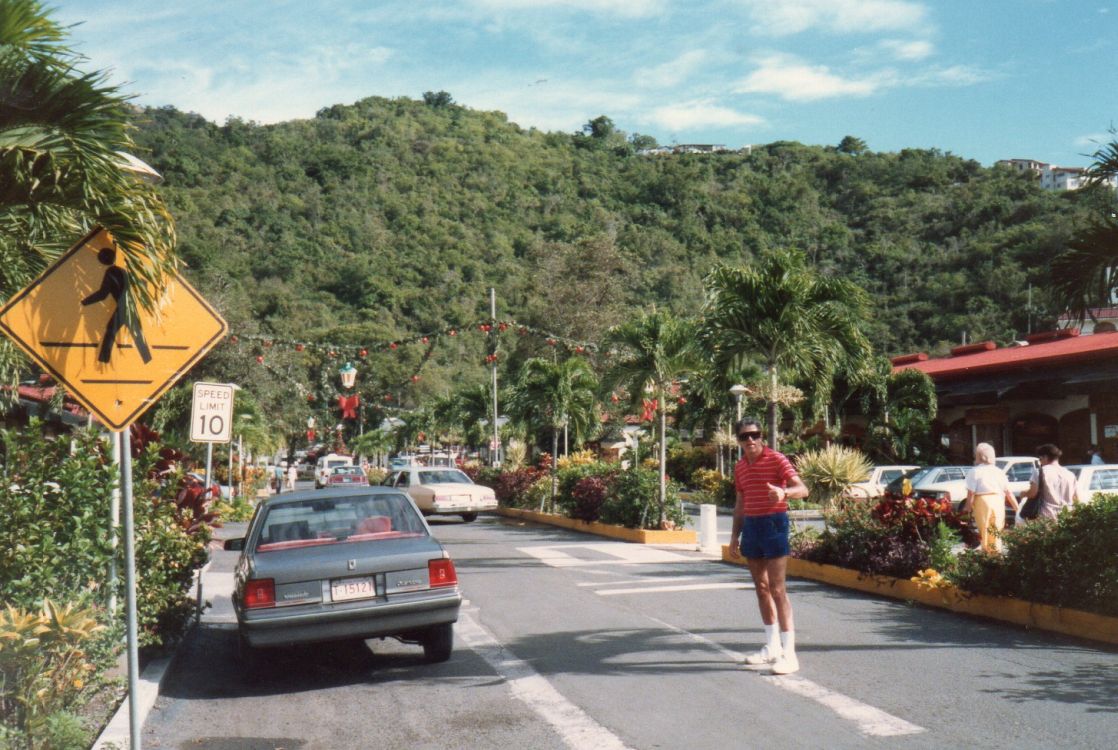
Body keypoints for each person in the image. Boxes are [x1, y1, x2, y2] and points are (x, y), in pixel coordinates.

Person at [728, 417, 810, 675]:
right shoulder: (740, 467)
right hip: (752, 526)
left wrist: (784, 493)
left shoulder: (776, 459)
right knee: (761, 588)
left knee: (777, 588)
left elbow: (803, 489)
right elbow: (740, 504)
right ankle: (772, 646)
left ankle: (790, 654)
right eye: (744, 436)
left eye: (755, 434)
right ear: (738, 440)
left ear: (761, 436)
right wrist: (734, 536)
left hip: (774, 523)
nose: (750, 440)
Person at [962, 443, 1018, 553]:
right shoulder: (999, 471)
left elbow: (971, 493)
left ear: (978, 456)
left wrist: (967, 509)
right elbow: (1008, 492)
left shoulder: (975, 471)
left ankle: (987, 554)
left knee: (984, 530)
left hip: (982, 502)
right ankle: (996, 553)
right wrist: (1017, 508)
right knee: (996, 530)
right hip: (998, 501)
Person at [1023, 444, 1078, 521]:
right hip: (1067, 515)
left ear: (1045, 457)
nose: (1040, 462)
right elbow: (1076, 498)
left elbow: (1033, 493)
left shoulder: (1040, 472)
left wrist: (1023, 494)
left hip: (1046, 516)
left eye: (1040, 459)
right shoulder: (1070, 474)